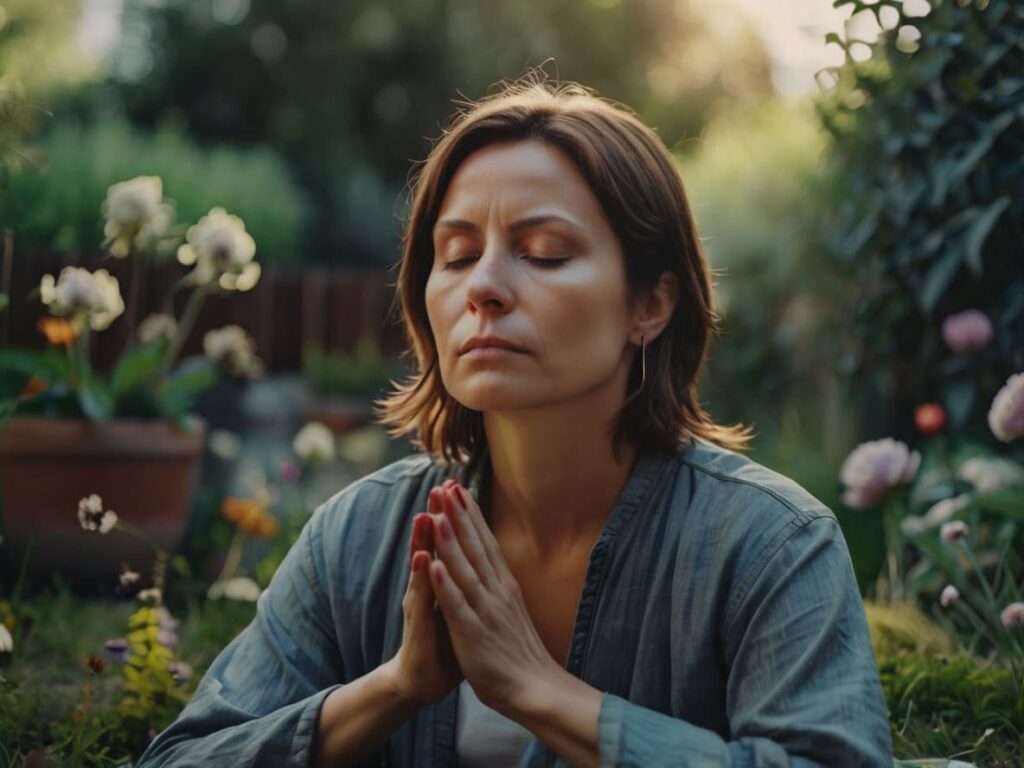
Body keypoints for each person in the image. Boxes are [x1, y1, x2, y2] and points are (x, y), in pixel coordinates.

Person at [137, 74, 894, 768]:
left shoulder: (770, 547)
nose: (486, 289)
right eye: (458, 254)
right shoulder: (358, 537)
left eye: (544, 253)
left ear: (650, 305)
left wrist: (539, 691)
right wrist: (397, 685)